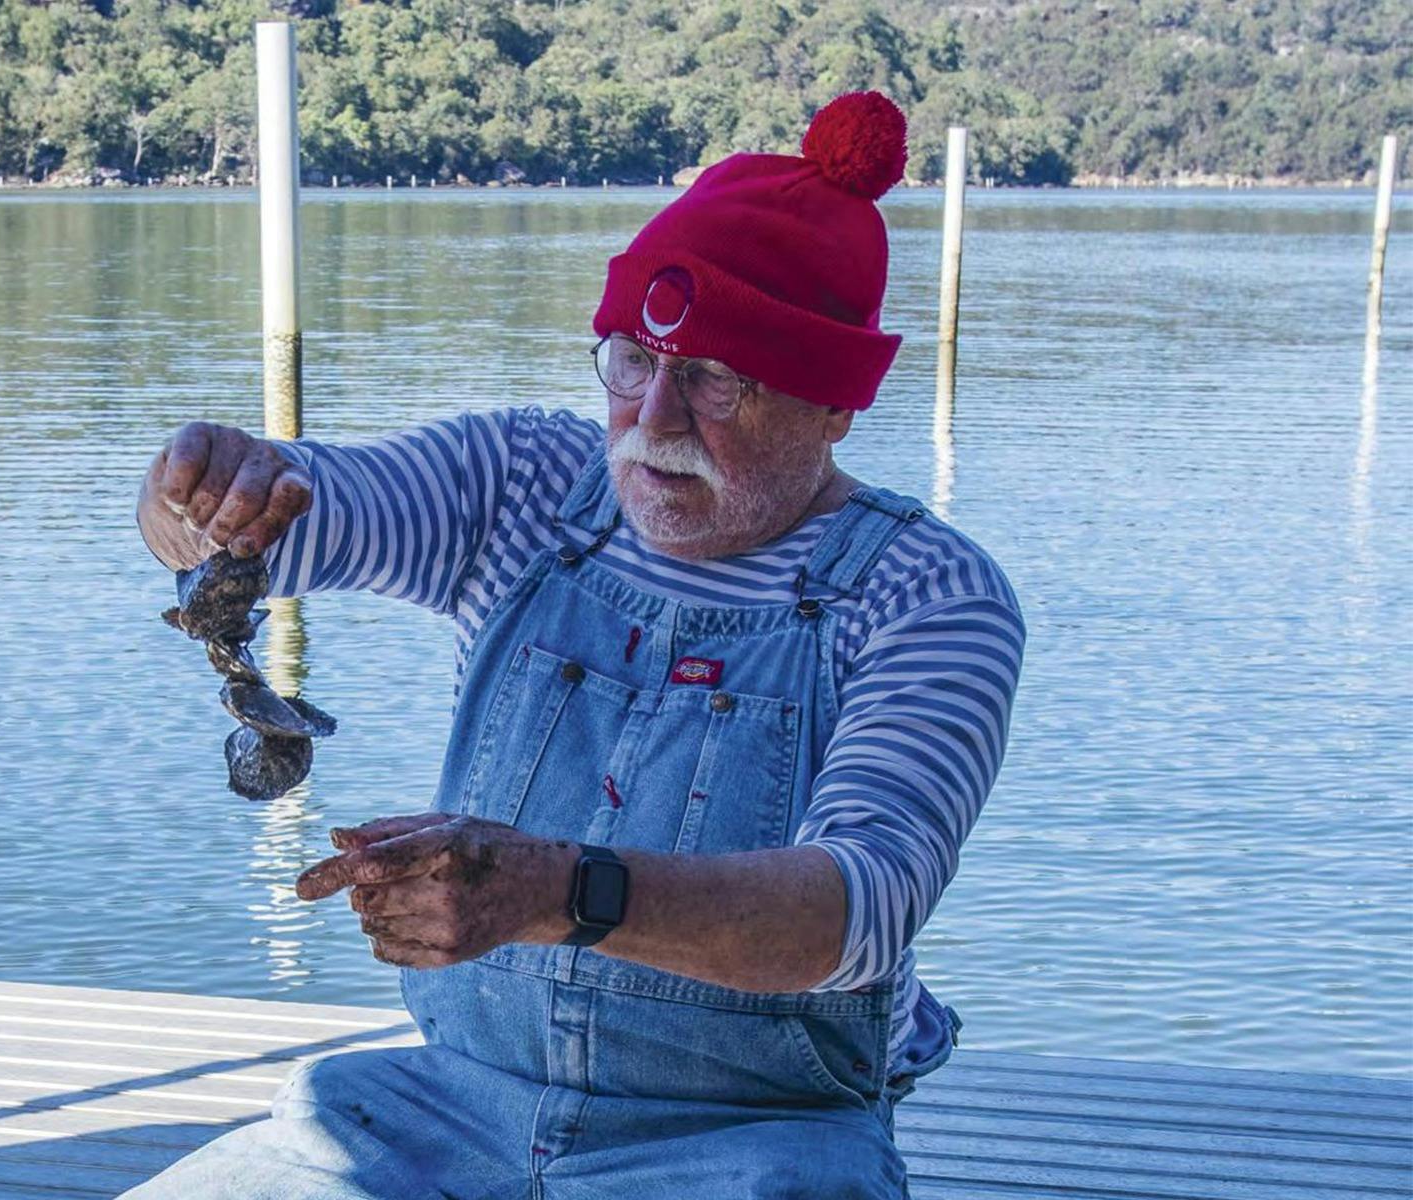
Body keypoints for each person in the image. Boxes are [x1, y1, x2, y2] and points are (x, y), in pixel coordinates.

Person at [128, 91, 1024, 1200]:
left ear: (835, 405)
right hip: (446, 1103)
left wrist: (557, 892)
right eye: (632, 360)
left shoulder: (926, 595)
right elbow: (291, 520)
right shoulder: (522, 486)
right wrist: (200, 494)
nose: (654, 415)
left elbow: (856, 911)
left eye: (716, 378)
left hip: (751, 1136)